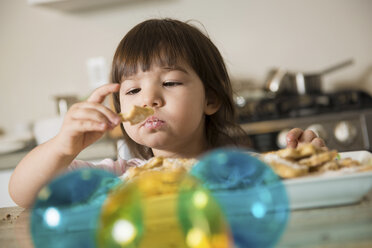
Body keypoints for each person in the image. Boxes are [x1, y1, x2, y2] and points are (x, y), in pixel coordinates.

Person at [9, 18, 324, 208]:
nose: (150, 99)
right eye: (132, 91)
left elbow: (300, 189)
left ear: (210, 100)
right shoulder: (119, 177)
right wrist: (63, 147)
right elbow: (23, 194)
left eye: (170, 82)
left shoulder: (241, 171)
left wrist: (304, 159)